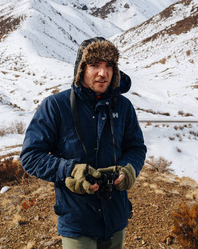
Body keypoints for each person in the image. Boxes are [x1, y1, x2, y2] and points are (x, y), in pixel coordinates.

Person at [20, 37, 147, 249]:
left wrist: (128, 169)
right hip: (78, 221)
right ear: (81, 69)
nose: (102, 73)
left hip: (116, 217)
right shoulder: (56, 106)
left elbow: (136, 148)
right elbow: (31, 156)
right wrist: (70, 170)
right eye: (94, 65)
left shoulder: (123, 106)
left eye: (109, 66)